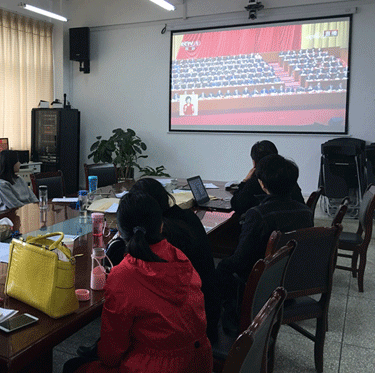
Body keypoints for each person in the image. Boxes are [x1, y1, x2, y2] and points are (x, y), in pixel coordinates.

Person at [64, 191, 212, 373]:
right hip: (198, 361)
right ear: (161, 226)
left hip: (154, 367)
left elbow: (111, 354)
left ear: (119, 232)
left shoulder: (124, 275)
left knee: (73, 366)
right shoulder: (180, 257)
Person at [110, 178, 221, 343]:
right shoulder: (187, 216)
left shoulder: (162, 234)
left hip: (187, 328)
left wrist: (117, 242)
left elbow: (127, 269)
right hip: (205, 312)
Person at [216, 155, 313, 330]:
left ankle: (229, 320)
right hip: (292, 279)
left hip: (263, 284)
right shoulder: (306, 212)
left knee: (221, 268)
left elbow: (240, 259)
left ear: (262, 184)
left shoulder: (257, 215)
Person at [231, 140, 304, 217]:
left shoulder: (256, 182)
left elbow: (237, 205)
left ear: (254, 163)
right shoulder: (288, 178)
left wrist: (245, 181)